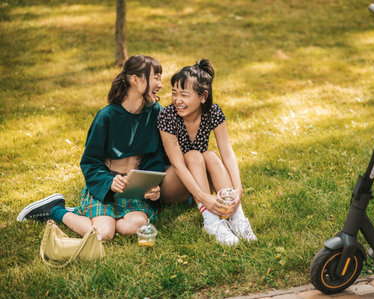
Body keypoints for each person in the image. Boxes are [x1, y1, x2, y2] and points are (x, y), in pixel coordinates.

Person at [17, 55, 190, 241]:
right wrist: (109, 182)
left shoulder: (156, 112)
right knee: (103, 234)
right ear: (135, 80)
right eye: (155, 77)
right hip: (106, 189)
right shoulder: (106, 116)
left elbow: (156, 157)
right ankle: (55, 210)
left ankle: (92, 216)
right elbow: (90, 162)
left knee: (137, 225)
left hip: (134, 192)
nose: (160, 84)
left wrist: (151, 186)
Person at [157, 59, 257, 246]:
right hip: (173, 185)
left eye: (184, 95)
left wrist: (238, 189)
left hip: (200, 181)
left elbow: (227, 153)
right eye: (174, 93)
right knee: (193, 155)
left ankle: (236, 216)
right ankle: (211, 222)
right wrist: (204, 198)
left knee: (210, 155)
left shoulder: (213, 112)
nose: (178, 100)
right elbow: (178, 165)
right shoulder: (167, 116)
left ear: (203, 96)